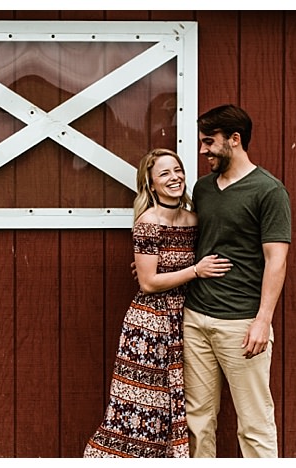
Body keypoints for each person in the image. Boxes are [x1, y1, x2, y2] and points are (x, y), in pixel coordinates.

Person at [83, 148, 232, 458]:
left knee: (175, 402)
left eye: (177, 170)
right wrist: (195, 270)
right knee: (143, 405)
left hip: (184, 318)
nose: (174, 177)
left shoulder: (193, 219)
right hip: (149, 325)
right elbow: (148, 282)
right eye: (164, 173)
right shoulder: (149, 221)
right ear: (150, 184)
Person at [183, 104, 291, 458]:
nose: (203, 151)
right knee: (197, 419)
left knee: (254, 422)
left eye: (208, 142)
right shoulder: (203, 189)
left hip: (242, 325)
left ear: (234, 139)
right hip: (196, 319)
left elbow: (277, 259)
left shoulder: (268, 190)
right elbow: (197, 243)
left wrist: (263, 321)